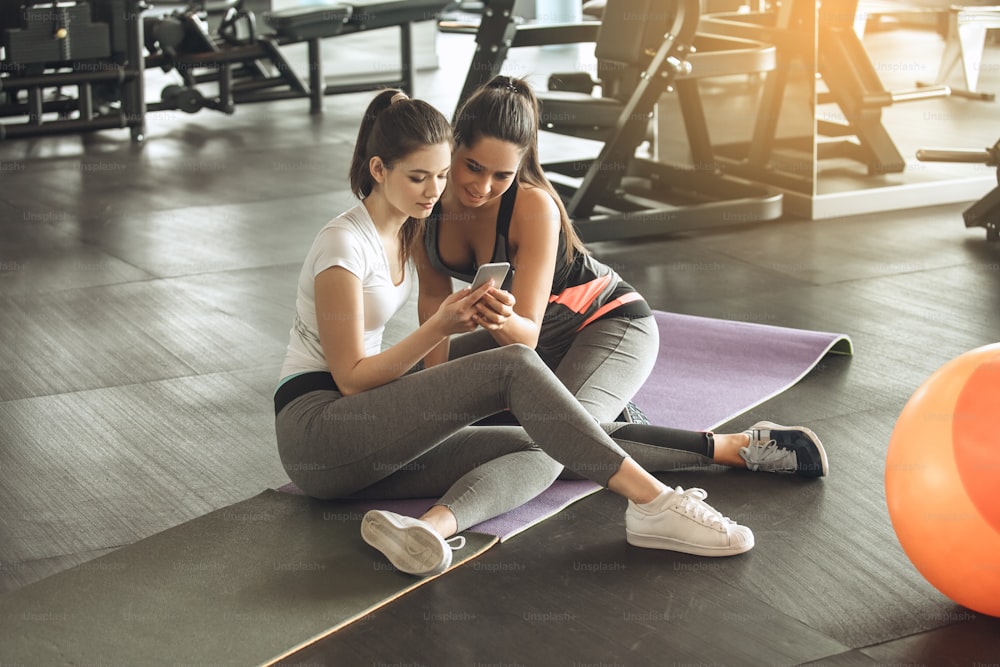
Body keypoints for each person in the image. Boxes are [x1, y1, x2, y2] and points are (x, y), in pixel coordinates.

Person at [273, 88, 762, 579]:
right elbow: (354, 379)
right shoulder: (344, 244)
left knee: (542, 443)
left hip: (597, 324)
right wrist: (443, 331)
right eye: (424, 177)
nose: (438, 189)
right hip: (319, 431)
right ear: (379, 170)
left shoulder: (408, 226)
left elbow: (490, 330)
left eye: (439, 176)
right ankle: (655, 502)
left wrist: (439, 394)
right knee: (519, 372)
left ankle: (425, 531)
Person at [413, 74, 828, 478]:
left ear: (520, 166)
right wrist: (434, 396)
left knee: (559, 443)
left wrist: (495, 318)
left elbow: (525, 336)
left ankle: (734, 447)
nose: (483, 186)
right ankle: (610, 413)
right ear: (453, 147)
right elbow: (433, 302)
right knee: (406, 391)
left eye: (501, 175)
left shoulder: (534, 206)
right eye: (473, 167)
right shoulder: (428, 201)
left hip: (608, 323)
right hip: (531, 341)